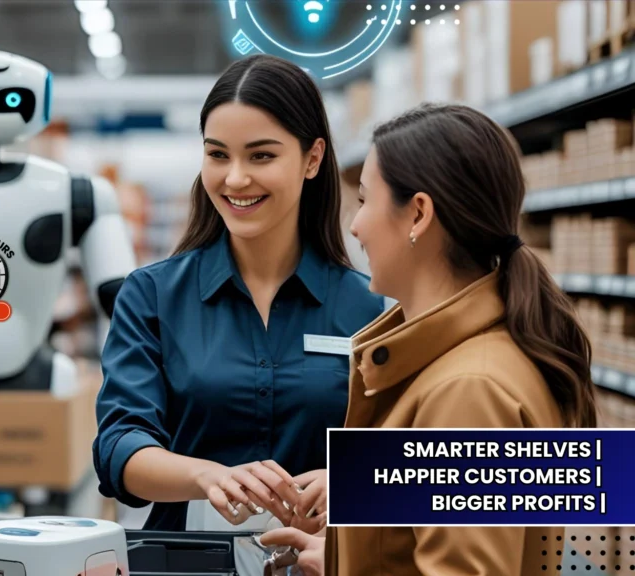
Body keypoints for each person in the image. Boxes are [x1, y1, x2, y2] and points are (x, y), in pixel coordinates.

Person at [261, 103, 598, 575]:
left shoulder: (469, 392)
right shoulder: (465, 363)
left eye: (364, 201)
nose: (355, 226)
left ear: (418, 214)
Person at [91, 53, 386, 532]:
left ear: (312, 159)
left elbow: (400, 452)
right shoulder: (152, 296)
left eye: (261, 155)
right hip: (185, 563)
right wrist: (208, 476)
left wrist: (352, 479)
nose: (234, 179)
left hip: (318, 560)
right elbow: (119, 447)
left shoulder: (371, 307)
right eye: (218, 154)